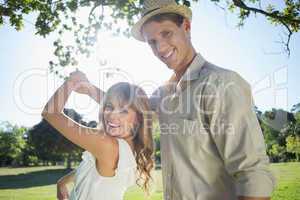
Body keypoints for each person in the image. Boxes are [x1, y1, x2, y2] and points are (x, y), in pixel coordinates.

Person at [130, 0, 276, 199]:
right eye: (152, 42)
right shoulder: (163, 94)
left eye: (166, 33)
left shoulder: (221, 84)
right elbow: (126, 111)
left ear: (186, 27)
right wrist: (84, 88)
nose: (161, 48)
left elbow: (253, 174)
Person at [41, 71, 154, 200]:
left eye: (123, 111)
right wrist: (63, 181)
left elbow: (50, 113)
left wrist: (71, 82)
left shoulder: (108, 145)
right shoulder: (129, 147)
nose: (111, 115)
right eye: (109, 107)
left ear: (138, 118)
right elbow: (90, 166)